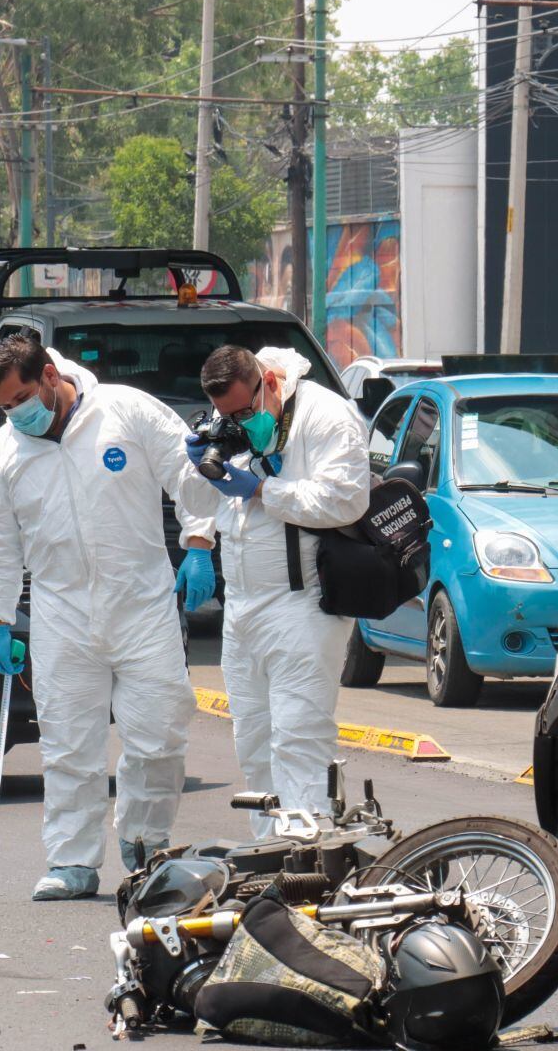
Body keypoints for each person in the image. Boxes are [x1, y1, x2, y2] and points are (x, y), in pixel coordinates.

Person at [0, 335, 217, 900]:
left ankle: (146, 844)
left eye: (23, 399)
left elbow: (190, 473)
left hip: (142, 605)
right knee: (67, 744)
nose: (17, 415)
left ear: (52, 375)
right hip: (62, 613)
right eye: (5, 408)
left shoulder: (124, 411)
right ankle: (72, 861)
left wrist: (200, 541)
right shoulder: (4, 454)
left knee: (159, 733)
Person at [182, 346, 369, 832]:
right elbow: (202, 499)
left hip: (302, 604)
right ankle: (271, 856)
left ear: (269, 381)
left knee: (298, 738)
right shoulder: (239, 424)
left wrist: (262, 490)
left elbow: (346, 499)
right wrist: (199, 465)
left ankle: (308, 858)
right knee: (254, 742)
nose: (239, 423)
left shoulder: (325, 416)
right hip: (243, 607)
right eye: (228, 416)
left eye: (244, 412)